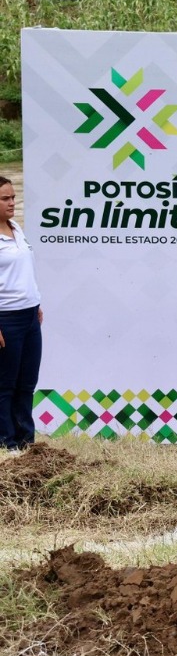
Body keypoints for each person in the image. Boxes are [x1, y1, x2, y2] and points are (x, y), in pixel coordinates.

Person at [0, 178, 42, 452]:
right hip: (6, 318)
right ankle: (7, 442)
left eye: (13, 197)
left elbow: (24, 271)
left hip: (29, 316)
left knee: (27, 382)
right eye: (5, 199)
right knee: (5, 385)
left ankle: (27, 442)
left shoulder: (16, 228)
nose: (13, 202)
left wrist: (36, 302)